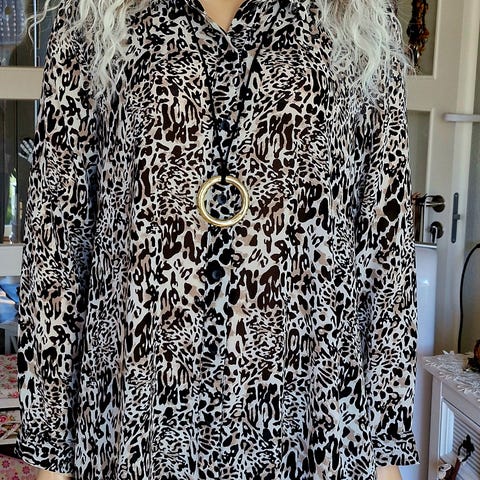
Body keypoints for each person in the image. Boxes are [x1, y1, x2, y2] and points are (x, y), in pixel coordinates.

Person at [16, 0, 419, 479]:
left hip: (306, 409)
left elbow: (386, 238)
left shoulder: (354, 16)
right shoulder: (95, 16)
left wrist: (385, 446)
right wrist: (50, 447)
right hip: (142, 410)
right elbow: (57, 234)